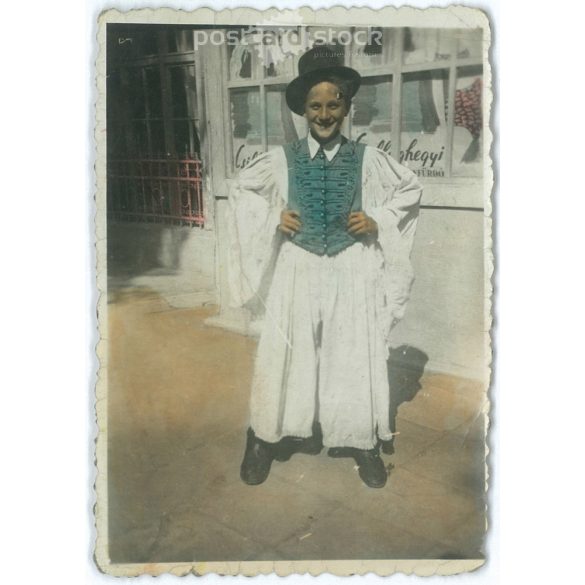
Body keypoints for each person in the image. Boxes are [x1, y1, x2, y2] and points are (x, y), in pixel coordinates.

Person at [227, 46, 422, 488]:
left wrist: (378, 220)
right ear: (303, 110)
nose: (325, 113)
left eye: (334, 103)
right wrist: (273, 218)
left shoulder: (368, 158)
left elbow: (410, 189)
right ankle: (264, 436)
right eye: (315, 105)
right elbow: (243, 190)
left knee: (353, 350)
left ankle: (361, 439)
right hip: (298, 263)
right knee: (284, 348)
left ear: (347, 106)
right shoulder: (282, 159)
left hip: (352, 265)